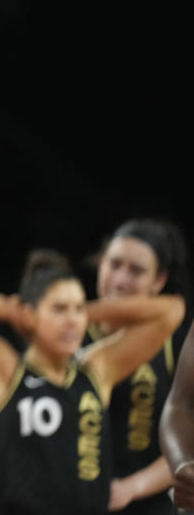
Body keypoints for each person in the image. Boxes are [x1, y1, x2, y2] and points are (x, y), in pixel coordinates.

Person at [0, 249, 184, 515]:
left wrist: (87, 312)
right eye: (59, 309)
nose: (72, 320)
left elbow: (171, 310)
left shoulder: (96, 371)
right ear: (29, 315)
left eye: (78, 309)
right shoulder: (5, 372)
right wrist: (10, 310)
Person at [86, 219, 191, 513]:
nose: (120, 279)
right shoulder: (67, 335)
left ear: (159, 281)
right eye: (114, 264)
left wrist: (131, 487)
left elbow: (189, 442)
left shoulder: (177, 341)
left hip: (150, 505)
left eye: (136, 270)